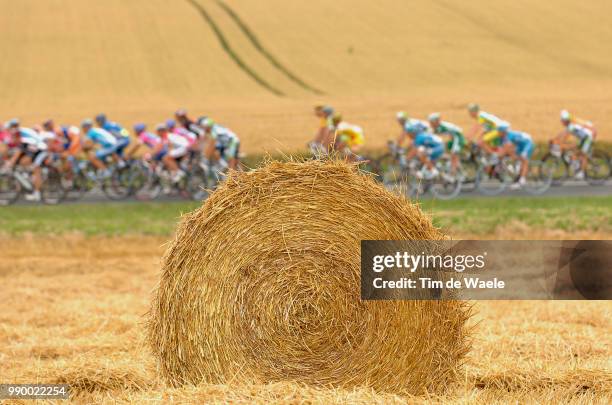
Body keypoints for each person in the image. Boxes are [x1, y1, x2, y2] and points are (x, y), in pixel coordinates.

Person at [3, 119, 48, 201]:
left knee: (36, 168)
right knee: (22, 161)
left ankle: (37, 194)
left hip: (41, 149)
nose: (9, 132)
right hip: (34, 148)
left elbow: (20, 150)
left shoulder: (21, 134)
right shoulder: (20, 132)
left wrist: (10, 162)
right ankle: (28, 176)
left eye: (9, 130)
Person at [553, 110, 595, 179]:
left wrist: (559, 143)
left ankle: (582, 172)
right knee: (573, 150)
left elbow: (565, 136)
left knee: (582, 153)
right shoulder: (569, 126)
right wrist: (555, 139)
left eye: (562, 120)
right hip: (582, 138)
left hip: (587, 137)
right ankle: (577, 166)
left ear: (565, 120)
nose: (561, 122)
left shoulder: (571, 126)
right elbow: (562, 133)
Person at [497, 124, 534, 188]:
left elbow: (507, 148)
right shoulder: (501, 137)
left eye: (499, 131)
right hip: (519, 145)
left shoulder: (509, 135)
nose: (498, 133)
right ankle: (517, 173)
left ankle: (522, 179)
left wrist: (507, 155)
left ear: (503, 132)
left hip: (527, 143)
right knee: (513, 156)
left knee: (523, 158)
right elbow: (501, 149)